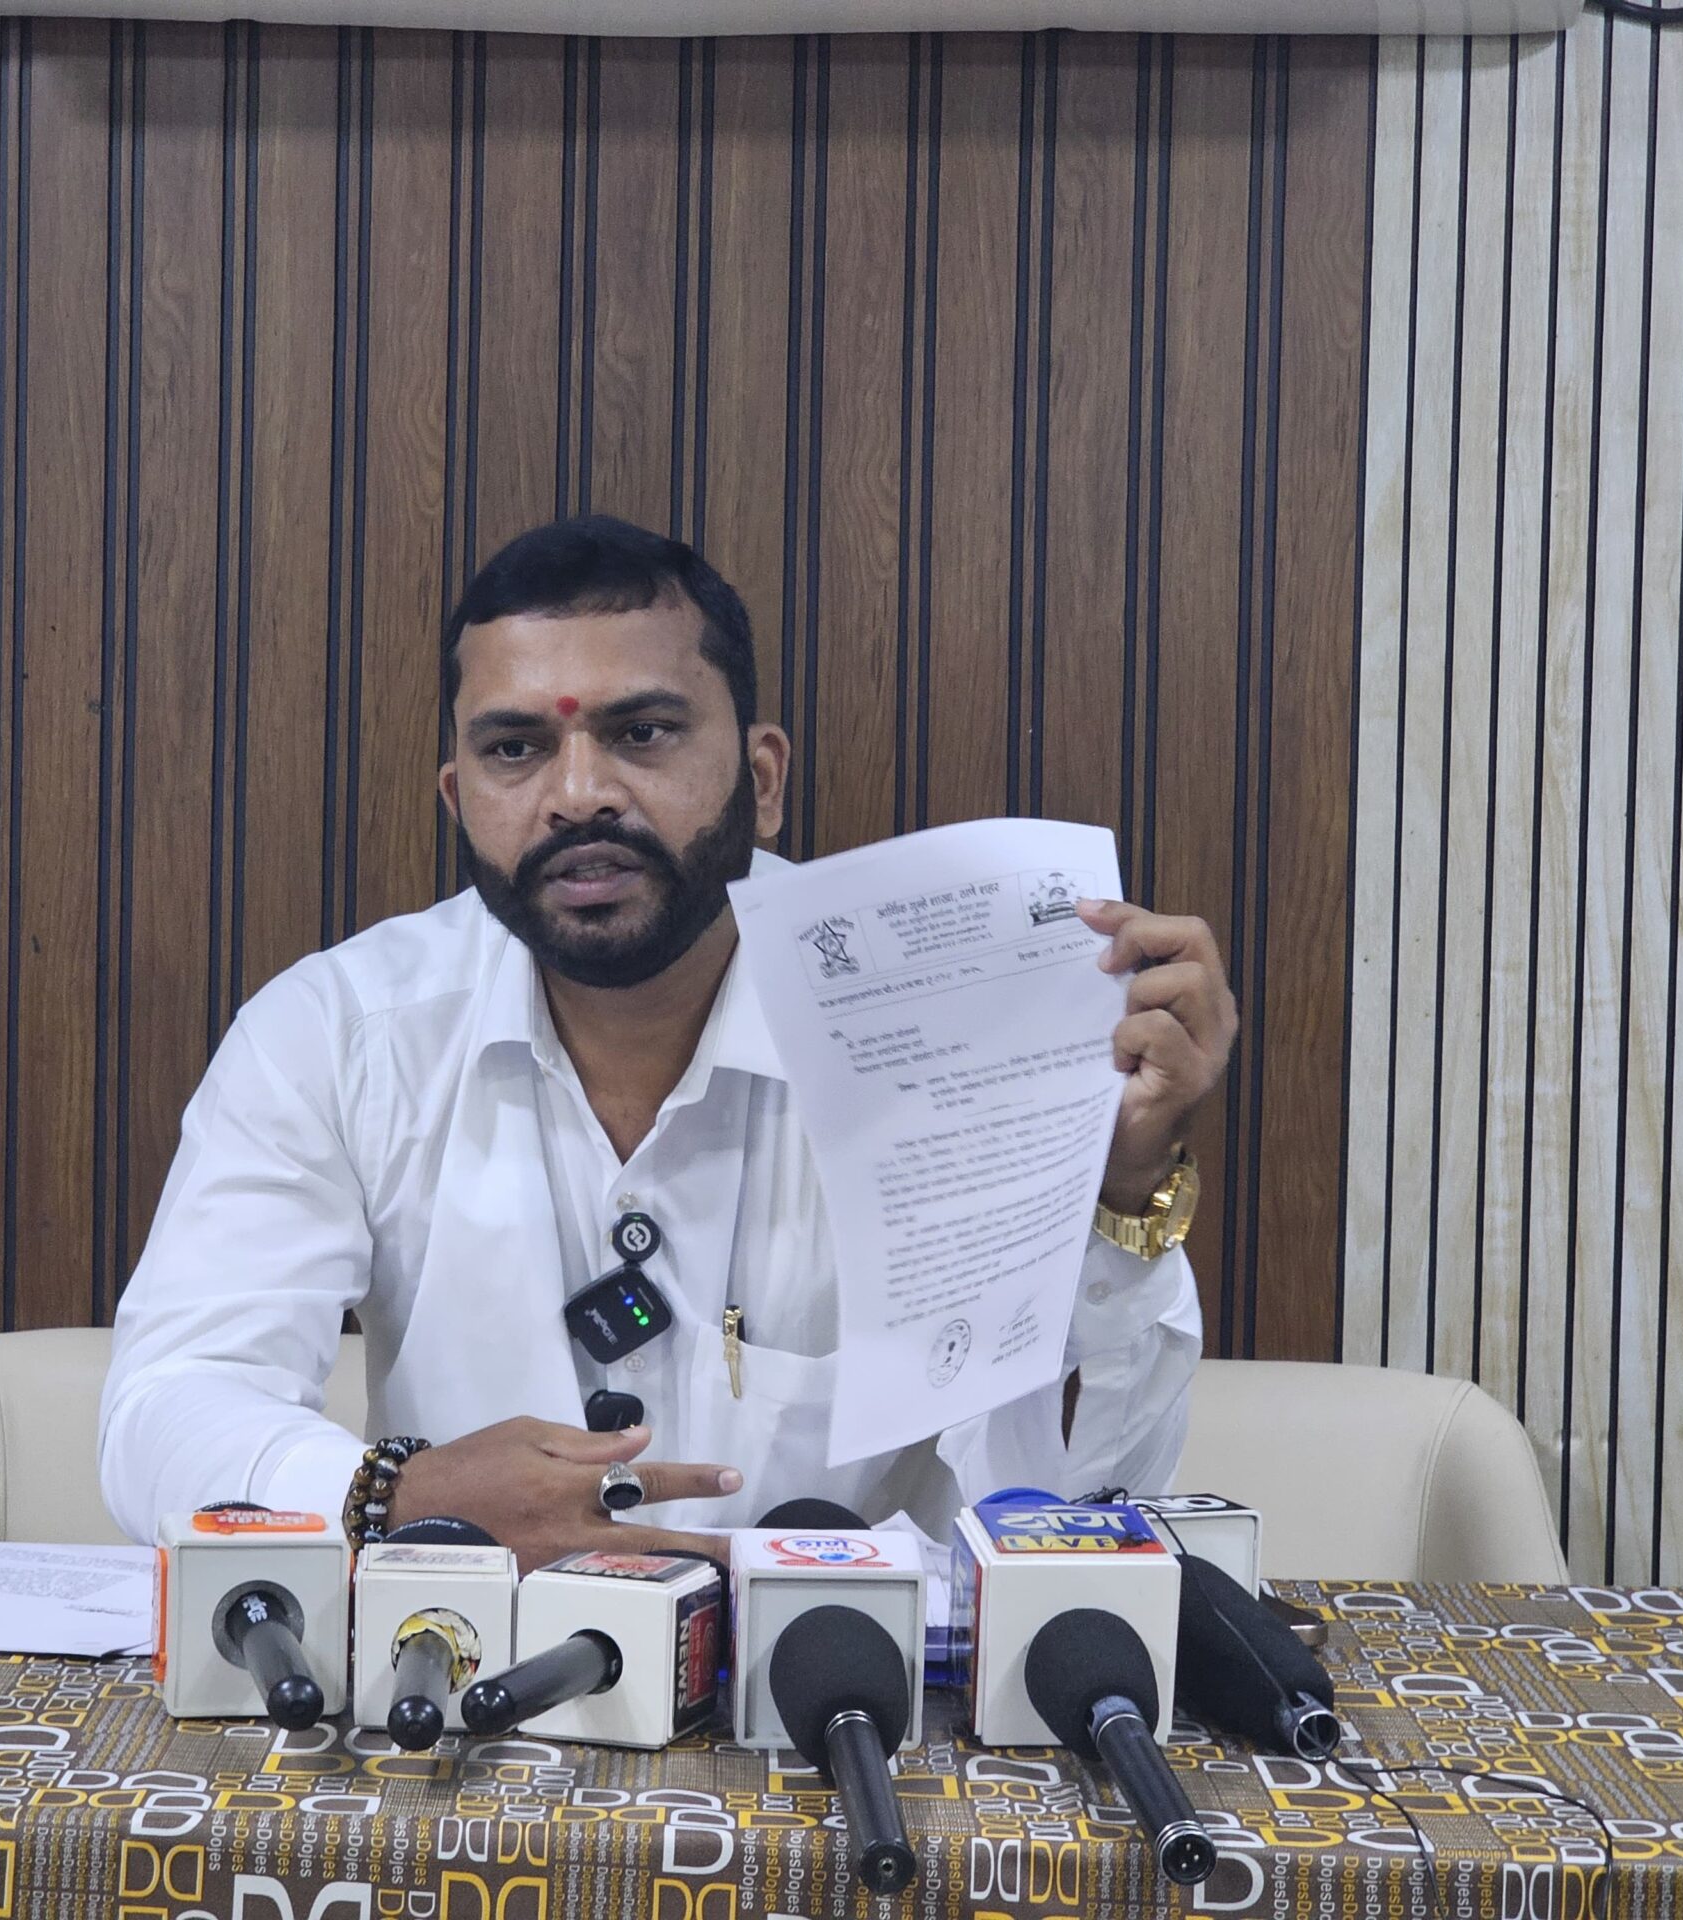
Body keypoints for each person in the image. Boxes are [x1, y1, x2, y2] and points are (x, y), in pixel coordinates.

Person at [99, 515, 1237, 1568]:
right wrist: (398, 1495)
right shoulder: (337, 1035)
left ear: (763, 779)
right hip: (467, 1676)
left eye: (641, 733)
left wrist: (1117, 1189)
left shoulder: (940, 1025)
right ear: (458, 802)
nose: (578, 794)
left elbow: (1082, 1505)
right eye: (514, 750)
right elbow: (166, 1409)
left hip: (850, 1689)